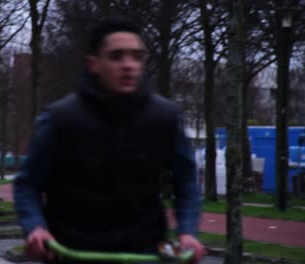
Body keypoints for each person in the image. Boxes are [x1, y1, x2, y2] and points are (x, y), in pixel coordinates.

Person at [14, 16, 205, 263]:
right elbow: (27, 184)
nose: (129, 65)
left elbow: (186, 181)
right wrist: (35, 228)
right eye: (116, 56)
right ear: (93, 64)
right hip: (73, 252)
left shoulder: (165, 117)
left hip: (144, 252)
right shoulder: (60, 119)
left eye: (137, 56)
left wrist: (188, 232)